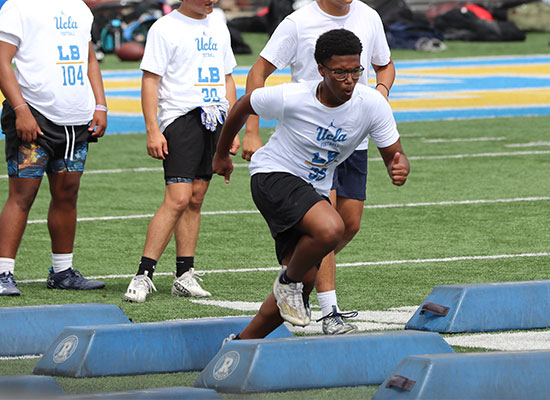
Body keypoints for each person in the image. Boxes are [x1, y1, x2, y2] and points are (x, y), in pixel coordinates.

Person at [213, 28, 409, 338]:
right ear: (321, 69)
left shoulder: (372, 104)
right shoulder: (293, 96)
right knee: (331, 228)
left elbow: (394, 153)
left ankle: (240, 344)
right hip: (273, 175)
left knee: (303, 283)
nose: (349, 80)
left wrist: (398, 165)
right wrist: (221, 154)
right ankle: (287, 284)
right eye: (340, 72)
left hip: (312, 189)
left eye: (355, 71)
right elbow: (244, 104)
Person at [123, 0, 240, 303]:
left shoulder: (218, 23)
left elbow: (228, 78)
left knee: (196, 199)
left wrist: (231, 128)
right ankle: (143, 275)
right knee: (177, 198)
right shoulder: (164, 27)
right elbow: (151, 80)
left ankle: (183, 276)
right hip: (181, 118)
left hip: (214, 118)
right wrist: (152, 129)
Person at [0, 0, 108, 296]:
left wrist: (100, 104)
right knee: (22, 196)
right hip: (34, 114)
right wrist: (21, 110)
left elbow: (89, 61)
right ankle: (3, 272)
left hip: (76, 121)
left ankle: (62, 271)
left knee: (67, 194)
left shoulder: (80, 8)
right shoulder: (18, 7)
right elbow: (1, 60)